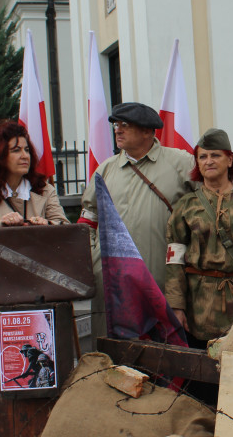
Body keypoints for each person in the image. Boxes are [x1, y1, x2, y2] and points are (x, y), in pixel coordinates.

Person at [0, 121, 69, 416]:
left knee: (42, 389)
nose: (25, 155)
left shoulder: (43, 190)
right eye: (15, 150)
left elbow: (65, 228)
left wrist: (48, 226)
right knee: (2, 399)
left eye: (26, 149)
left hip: (39, 304)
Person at [79, 102, 194, 339]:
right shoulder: (105, 170)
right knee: (115, 352)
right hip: (113, 285)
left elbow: (206, 207)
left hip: (161, 280)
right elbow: (87, 219)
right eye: (116, 125)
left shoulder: (181, 163)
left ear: (147, 131)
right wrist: (93, 260)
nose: (117, 130)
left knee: (165, 351)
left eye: (125, 125)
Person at [165, 128, 233, 344]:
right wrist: (177, 305)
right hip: (201, 307)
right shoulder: (186, 206)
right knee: (202, 369)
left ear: (230, 160)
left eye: (215, 155)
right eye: (202, 156)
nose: (208, 161)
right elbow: (174, 260)